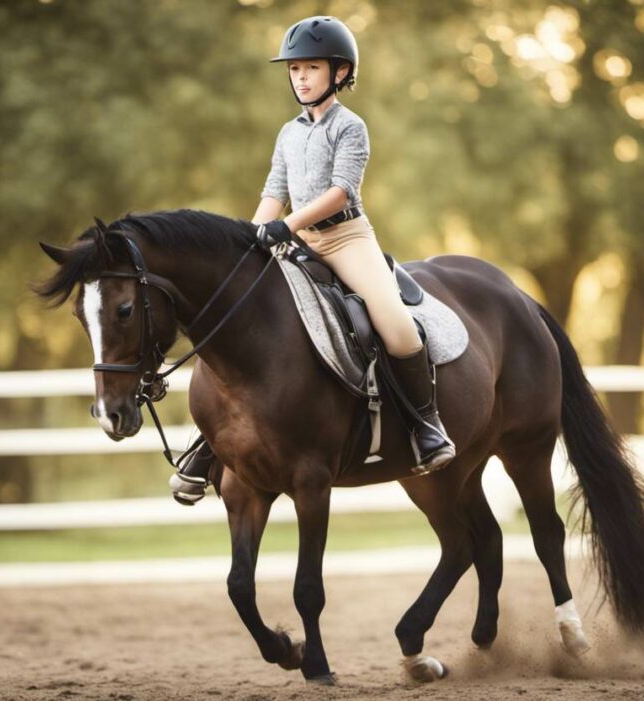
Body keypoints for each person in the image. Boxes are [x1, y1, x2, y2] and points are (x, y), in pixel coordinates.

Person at [169, 15, 456, 505]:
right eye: (295, 68)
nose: (300, 77)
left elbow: (342, 190)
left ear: (340, 73)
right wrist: (250, 238)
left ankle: (426, 427)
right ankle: (209, 443)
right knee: (240, 319)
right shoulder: (288, 133)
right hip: (293, 239)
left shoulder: (351, 127)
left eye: (311, 68)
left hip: (345, 238)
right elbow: (272, 192)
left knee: (398, 328)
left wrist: (286, 226)